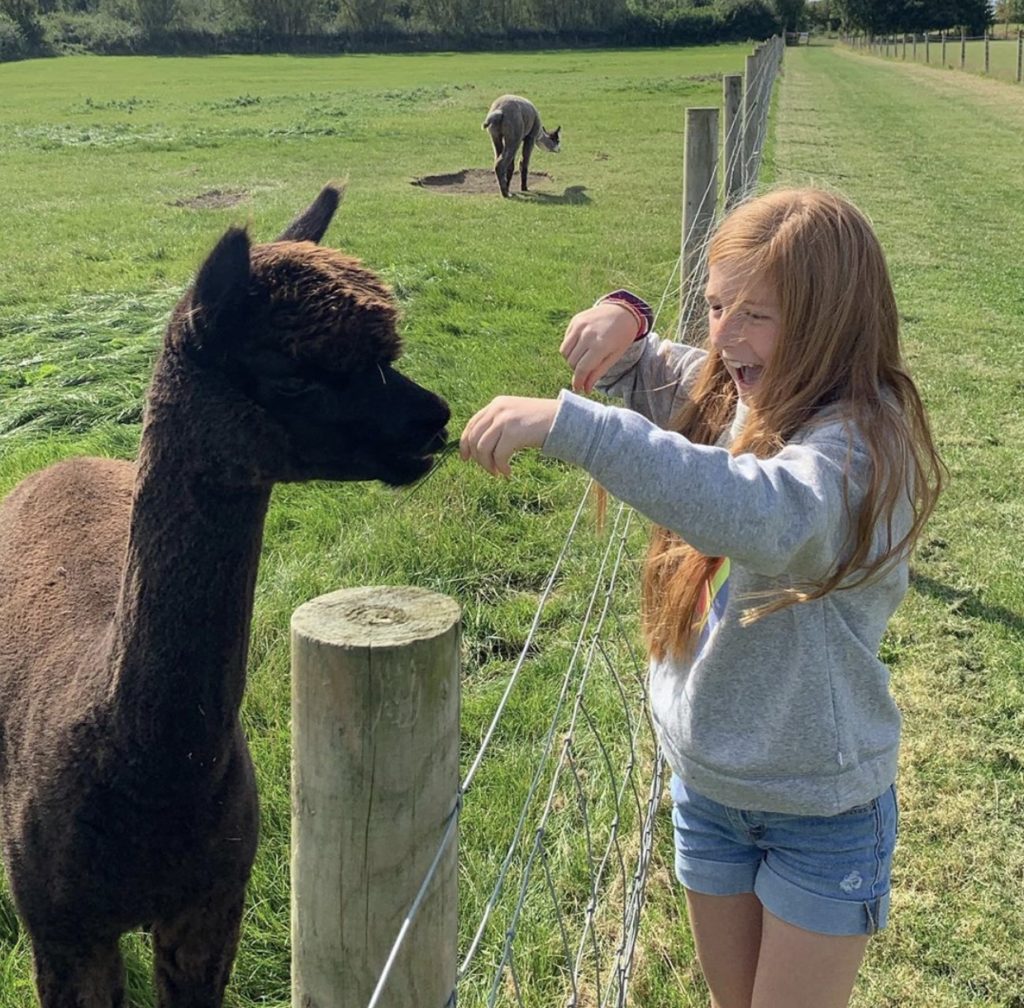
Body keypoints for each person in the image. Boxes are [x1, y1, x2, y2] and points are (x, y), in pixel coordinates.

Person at [459, 187, 944, 1008]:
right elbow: (666, 368)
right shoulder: (746, 393)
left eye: (756, 314)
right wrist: (626, 318)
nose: (724, 335)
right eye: (718, 306)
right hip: (708, 791)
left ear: (832, 320)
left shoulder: (861, 446)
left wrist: (577, 427)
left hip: (819, 811)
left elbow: (759, 510)